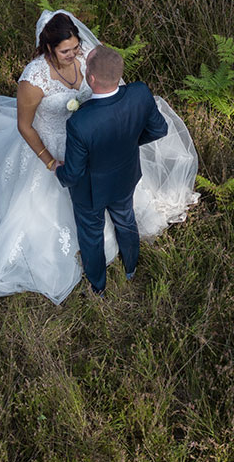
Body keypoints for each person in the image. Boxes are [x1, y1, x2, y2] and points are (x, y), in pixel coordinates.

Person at [0, 9, 199, 304]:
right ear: (48, 48)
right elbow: (24, 126)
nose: (75, 55)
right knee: (94, 217)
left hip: (92, 141)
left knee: (110, 218)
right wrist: (50, 161)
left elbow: (107, 94)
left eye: (77, 47)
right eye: (66, 51)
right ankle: (108, 279)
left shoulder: (87, 61)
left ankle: (113, 278)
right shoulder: (32, 80)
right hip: (50, 144)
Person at [55, 45, 167, 295]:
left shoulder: (79, 123)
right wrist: (128, 143)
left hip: (90, 192)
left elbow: (72, 174)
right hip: (125, 177)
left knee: (91, 235)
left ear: (91, 79)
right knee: (126, 220)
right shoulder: (139, 93)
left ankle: (98, 287)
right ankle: (131, 268)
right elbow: (160, 129)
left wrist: (56, 170)